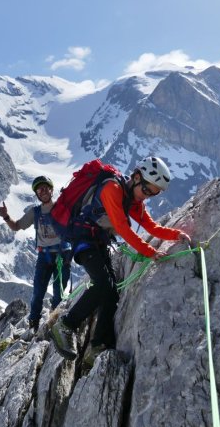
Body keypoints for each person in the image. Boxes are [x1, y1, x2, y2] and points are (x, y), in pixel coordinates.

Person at [49, 156, 190, 366]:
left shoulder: (132, 198)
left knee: (111, 291)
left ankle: (97, 346)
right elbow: (123, 229)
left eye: (153, 193)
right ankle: (66, 324)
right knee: (104, 284)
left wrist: (176, 235)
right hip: (82, 239)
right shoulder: (112, 189)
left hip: (97, 241)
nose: (147, 197)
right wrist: (150, 252)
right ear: (135, 178)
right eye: (147, 190)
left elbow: (151, 227)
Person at [0, 176, 72, 331]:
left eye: (46, 188)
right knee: (38, 294)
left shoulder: (63, 207)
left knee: (59, 295)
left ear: (51, 190)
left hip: (62, 256)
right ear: (37, 194)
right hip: (45, 257)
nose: (43, 191)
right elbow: (16, 226)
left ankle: (54, 323)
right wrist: (6, 217)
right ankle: (34, 326)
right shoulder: (35, 212)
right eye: (40, 189)